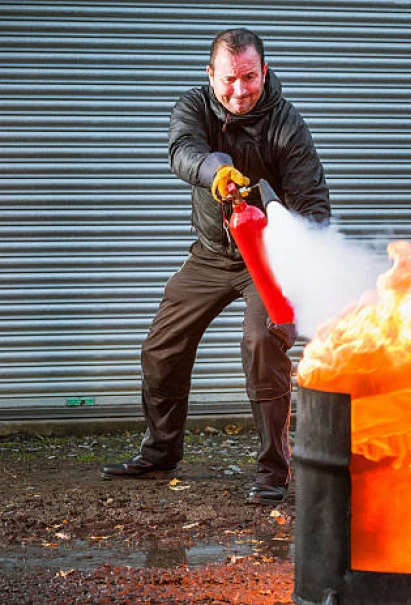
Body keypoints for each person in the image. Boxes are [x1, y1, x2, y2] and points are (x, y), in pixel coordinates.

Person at [102, 28, 330, 505]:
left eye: (249, 77)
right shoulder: (194, 107)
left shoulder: (289, 127)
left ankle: (273, 471)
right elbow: (182, 151)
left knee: (262, 344)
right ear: (211, 75)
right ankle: (161, 451)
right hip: (211, 253)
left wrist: (281, 231)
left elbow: (313, 210)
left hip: (266, 261)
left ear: (264, 72)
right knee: (161, 348)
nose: (239, 90)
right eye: (229, 79)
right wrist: (215, 171)